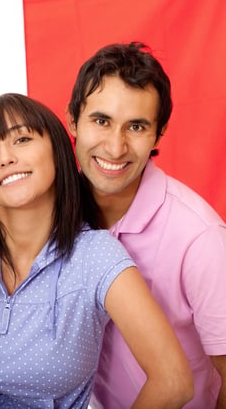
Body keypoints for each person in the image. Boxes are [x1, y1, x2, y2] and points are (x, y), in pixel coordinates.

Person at [0, 93, 193, 408]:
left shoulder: (96, 255)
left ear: (57, 151)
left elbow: (174, 381)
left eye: (21, 139)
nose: (6, 158)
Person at [66, 41, 226, 408]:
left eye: (135, 126)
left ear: (159, 132)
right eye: (101, 121)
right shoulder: (55, 212)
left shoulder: (201, 238)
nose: (115, 147)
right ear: (73, 119)